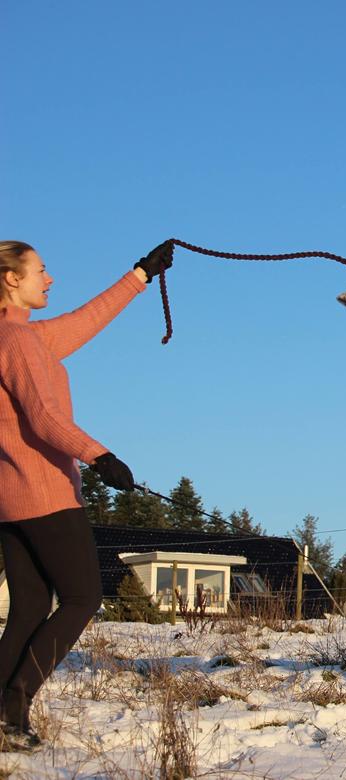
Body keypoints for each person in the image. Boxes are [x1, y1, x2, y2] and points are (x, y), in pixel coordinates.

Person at [0, 239, 172, 750]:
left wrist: (140, 275)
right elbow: (44, 416)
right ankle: (13, 708)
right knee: (82, 598)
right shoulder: (18, 341)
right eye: (41, 270)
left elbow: (83, 321)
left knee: (31, 606)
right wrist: (98, 456)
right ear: (11, 279)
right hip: (46, 493)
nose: (49, 279)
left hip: (11, 499)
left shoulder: (19, 337)